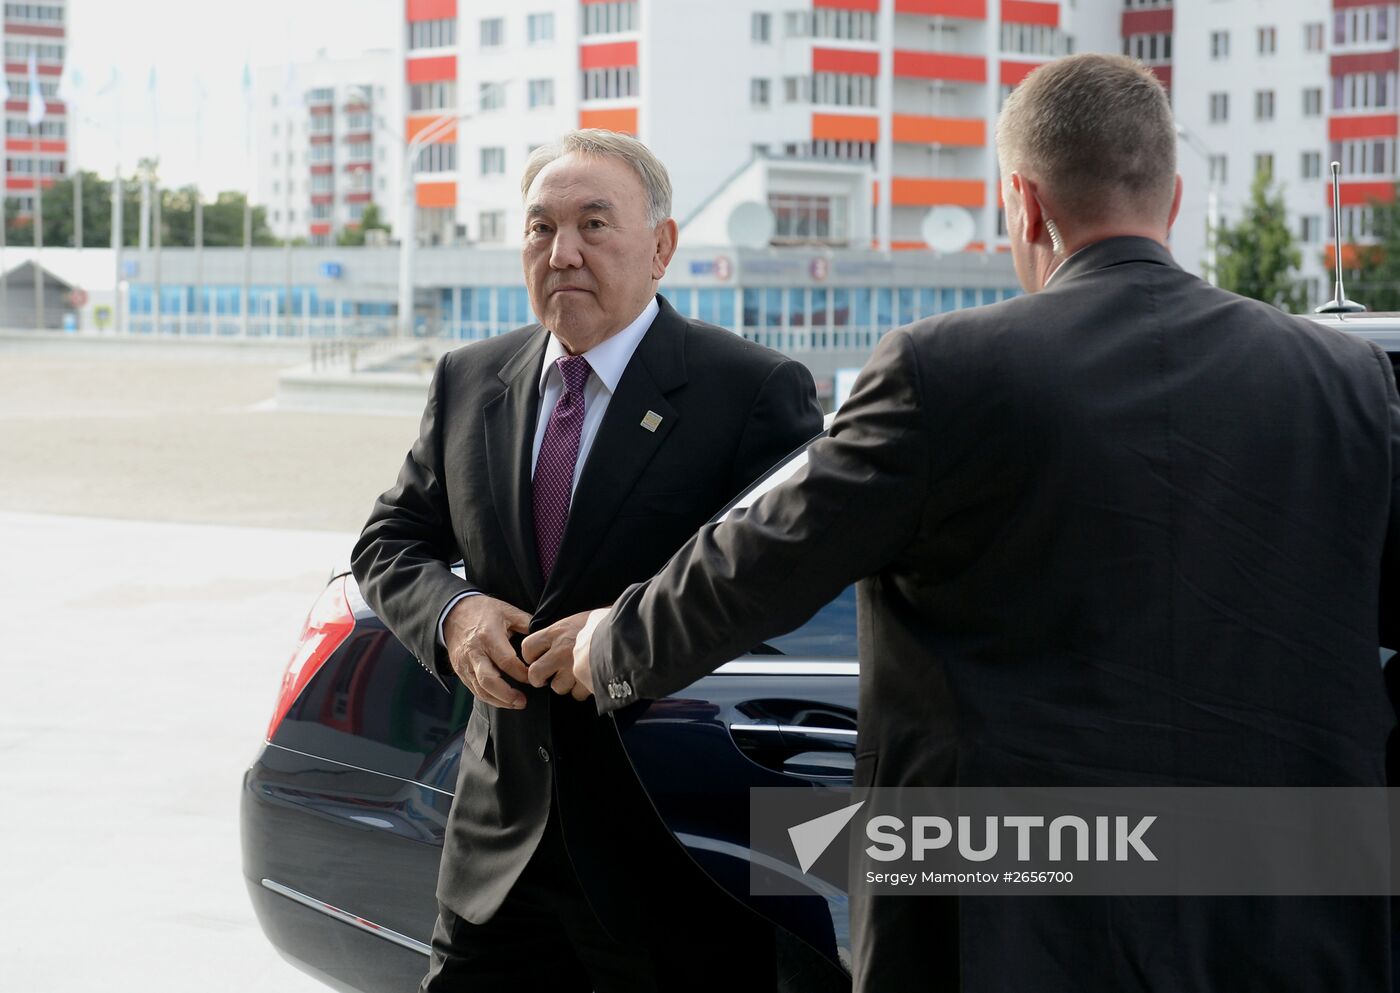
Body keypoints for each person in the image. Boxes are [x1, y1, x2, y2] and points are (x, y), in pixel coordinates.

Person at [535, 55, 1400, 991]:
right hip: (1293, 907)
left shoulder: (949, 369)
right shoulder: (1348, 380)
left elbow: (764, 556)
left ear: (1022, 203)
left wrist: (609, 644)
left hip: (1020, 914)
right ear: (1174, 197)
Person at [350, 129, 823, 992]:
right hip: (498, 861)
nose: (562, 252)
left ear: (661, 247)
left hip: (677, 864)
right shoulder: (469, 379)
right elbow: (390, 541)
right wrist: (454, 614)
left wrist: (629, 638)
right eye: (539, 228)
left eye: (594, 224)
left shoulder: (752, 391)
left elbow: (793, 590)